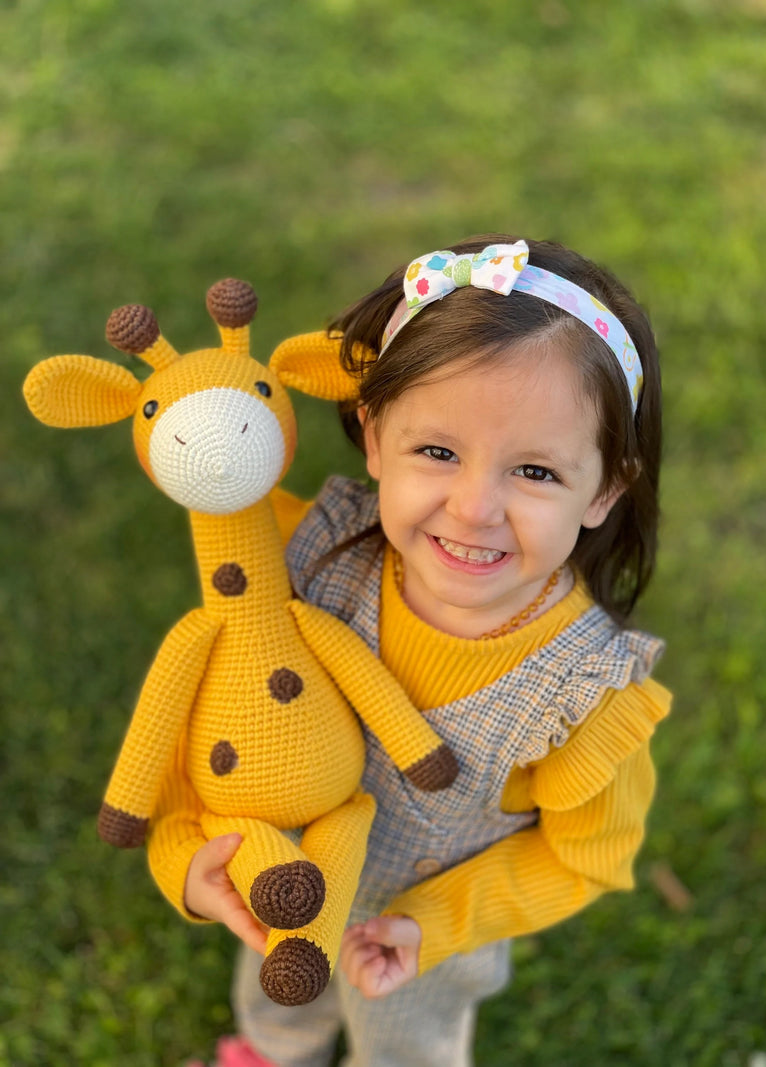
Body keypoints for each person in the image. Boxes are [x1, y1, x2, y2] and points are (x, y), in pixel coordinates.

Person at [152, 234, 672, 1067]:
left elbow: (584, 858)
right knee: (274, 990)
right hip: (281, 880)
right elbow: (216, 718)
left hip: (419, 946)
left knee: (404, 1049)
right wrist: (185, 855)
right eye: (437, 451)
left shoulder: (587, 694)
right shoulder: (303, 560)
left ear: (606, 487)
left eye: (534, 471)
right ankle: (273, 1050)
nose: (473, 509)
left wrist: (434, 923)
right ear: (372, 434)